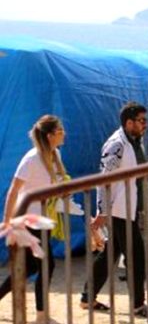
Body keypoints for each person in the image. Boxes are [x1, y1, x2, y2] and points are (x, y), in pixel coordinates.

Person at [80, 102, 148, 317]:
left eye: (146, 121)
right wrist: (102, 211)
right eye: (142, 121)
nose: (145, 125)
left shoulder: (134, 142)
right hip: (119, 210)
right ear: (129, 122)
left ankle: (88, 298)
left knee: (109, 255)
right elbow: (103, 179)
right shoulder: (116, 145)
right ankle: (137, 305)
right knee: (137, 256)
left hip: (129, 207)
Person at [0, 115, 67, 323]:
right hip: (28, 220)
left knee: (28, 268)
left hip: (43, 219)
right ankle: (41, 314)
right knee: (47, 265)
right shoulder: (32, 158)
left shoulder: (55, 154)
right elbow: (13, 190)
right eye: (60, 131)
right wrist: (7, 221)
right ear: (49, 135)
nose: (63, 133)